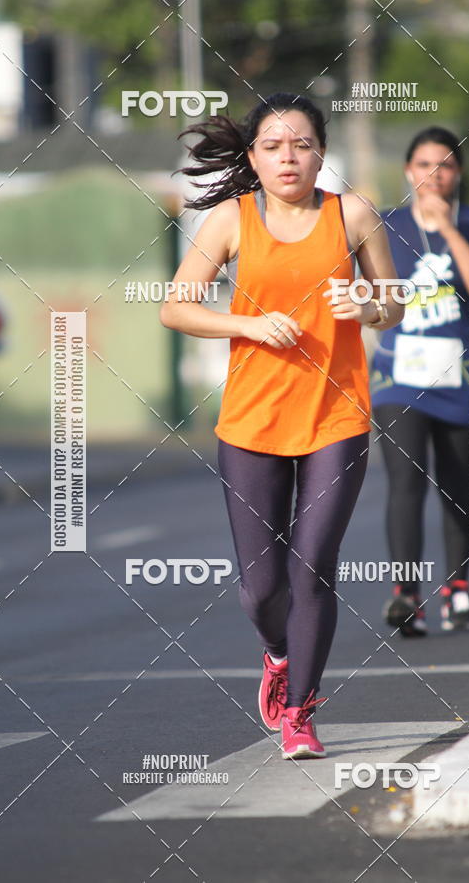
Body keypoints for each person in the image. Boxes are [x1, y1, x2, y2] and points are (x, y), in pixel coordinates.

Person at [161, 92, 403, 758]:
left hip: (337, 416)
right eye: (273, 146)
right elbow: (176, 309)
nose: (288, 157)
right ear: (253, 157)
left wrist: (367, 305)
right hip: (251, 421)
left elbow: (393, 303)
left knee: (313, 569)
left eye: (300, 144)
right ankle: (277, 653)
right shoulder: (232, 221)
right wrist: (245, 323)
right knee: (262, 588)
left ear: (321, 152)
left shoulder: (351, 213)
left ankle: (300, 711)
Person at [370, 127, 469, 637]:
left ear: (458, 174)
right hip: (398, 376)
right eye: (424, 163)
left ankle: (457, 588)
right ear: (408, 170)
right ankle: (406, 594)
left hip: (464, 375)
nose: (434, 173)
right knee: (406, 483)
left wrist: (448, 232)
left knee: (459, 486)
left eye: (445, 164)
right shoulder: (385, 224)